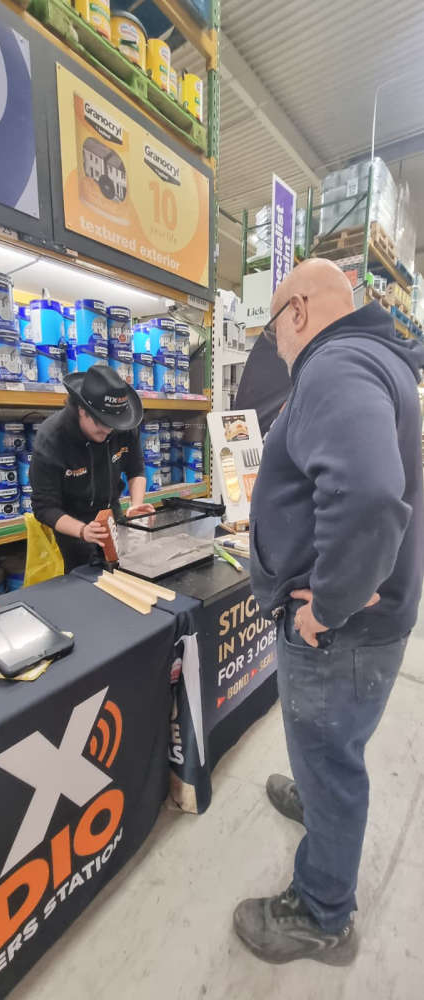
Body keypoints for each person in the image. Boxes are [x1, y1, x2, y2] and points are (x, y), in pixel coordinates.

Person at [234, 257, 424, 965]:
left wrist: (331, 604)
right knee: (329, 751)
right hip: (368, 628)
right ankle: (317, 803)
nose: (275, 345)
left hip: (338, 635)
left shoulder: (333, 365)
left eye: (273, 329)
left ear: (298, 311)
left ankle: (322, 913)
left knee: (331, 758)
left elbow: (370, 496)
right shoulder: (376, 358)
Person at [30, 365, 155, 573]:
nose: (107, 430)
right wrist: (83, 531)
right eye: (100, 423)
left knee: (122, 573)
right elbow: (44, 508)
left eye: (113, 424)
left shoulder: (122, 426)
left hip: (112, 513)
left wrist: (136, 506)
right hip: (73, 524)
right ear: (82, 409)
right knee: (83, 582)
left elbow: (136, 469)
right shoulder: (51, 439)